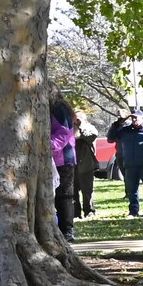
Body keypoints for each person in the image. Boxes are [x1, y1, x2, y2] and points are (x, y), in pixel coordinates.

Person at [108, 110, 143, 217]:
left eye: (136, 118)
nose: (134, 120)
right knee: (132, 191)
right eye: (132, 118)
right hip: (130, 166)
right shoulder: (125, 131)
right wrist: (118, 123)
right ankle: (133, 211)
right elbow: (110, 138)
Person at [49, 96, 78, 241]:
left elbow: (64, 132)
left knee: (64, 195)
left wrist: (49, 145)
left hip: (63, 159)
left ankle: (67, 230)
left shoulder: (58, 108)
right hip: (50, 159)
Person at [74, 112, 99, 218]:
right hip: (72, 163)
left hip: (86, 164)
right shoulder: (70, 128)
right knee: (73, 190)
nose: (76, 121)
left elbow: (90, 137)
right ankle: (76, 213)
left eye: (78, 119)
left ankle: (89, 211)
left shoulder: (90, 128)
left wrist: (81, 126)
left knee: (87, 190)